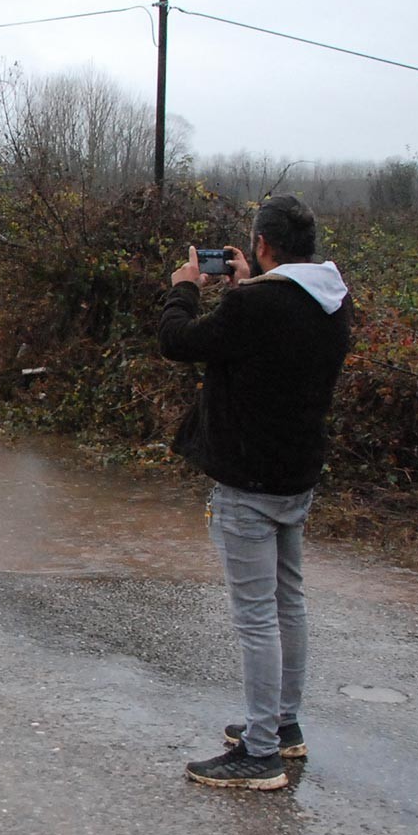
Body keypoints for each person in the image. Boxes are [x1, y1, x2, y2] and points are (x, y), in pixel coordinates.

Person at [158, 194, 353, 790]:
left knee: (255, 619)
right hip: (297, 474)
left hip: (247, 476)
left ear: (263, 245)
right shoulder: (333, 301)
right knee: (287, 601)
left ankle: (260, 752)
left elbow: (179, 340)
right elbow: (266, 334)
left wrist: (186, 286)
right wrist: (249, 284)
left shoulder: (256, 305)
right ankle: (283, 727)